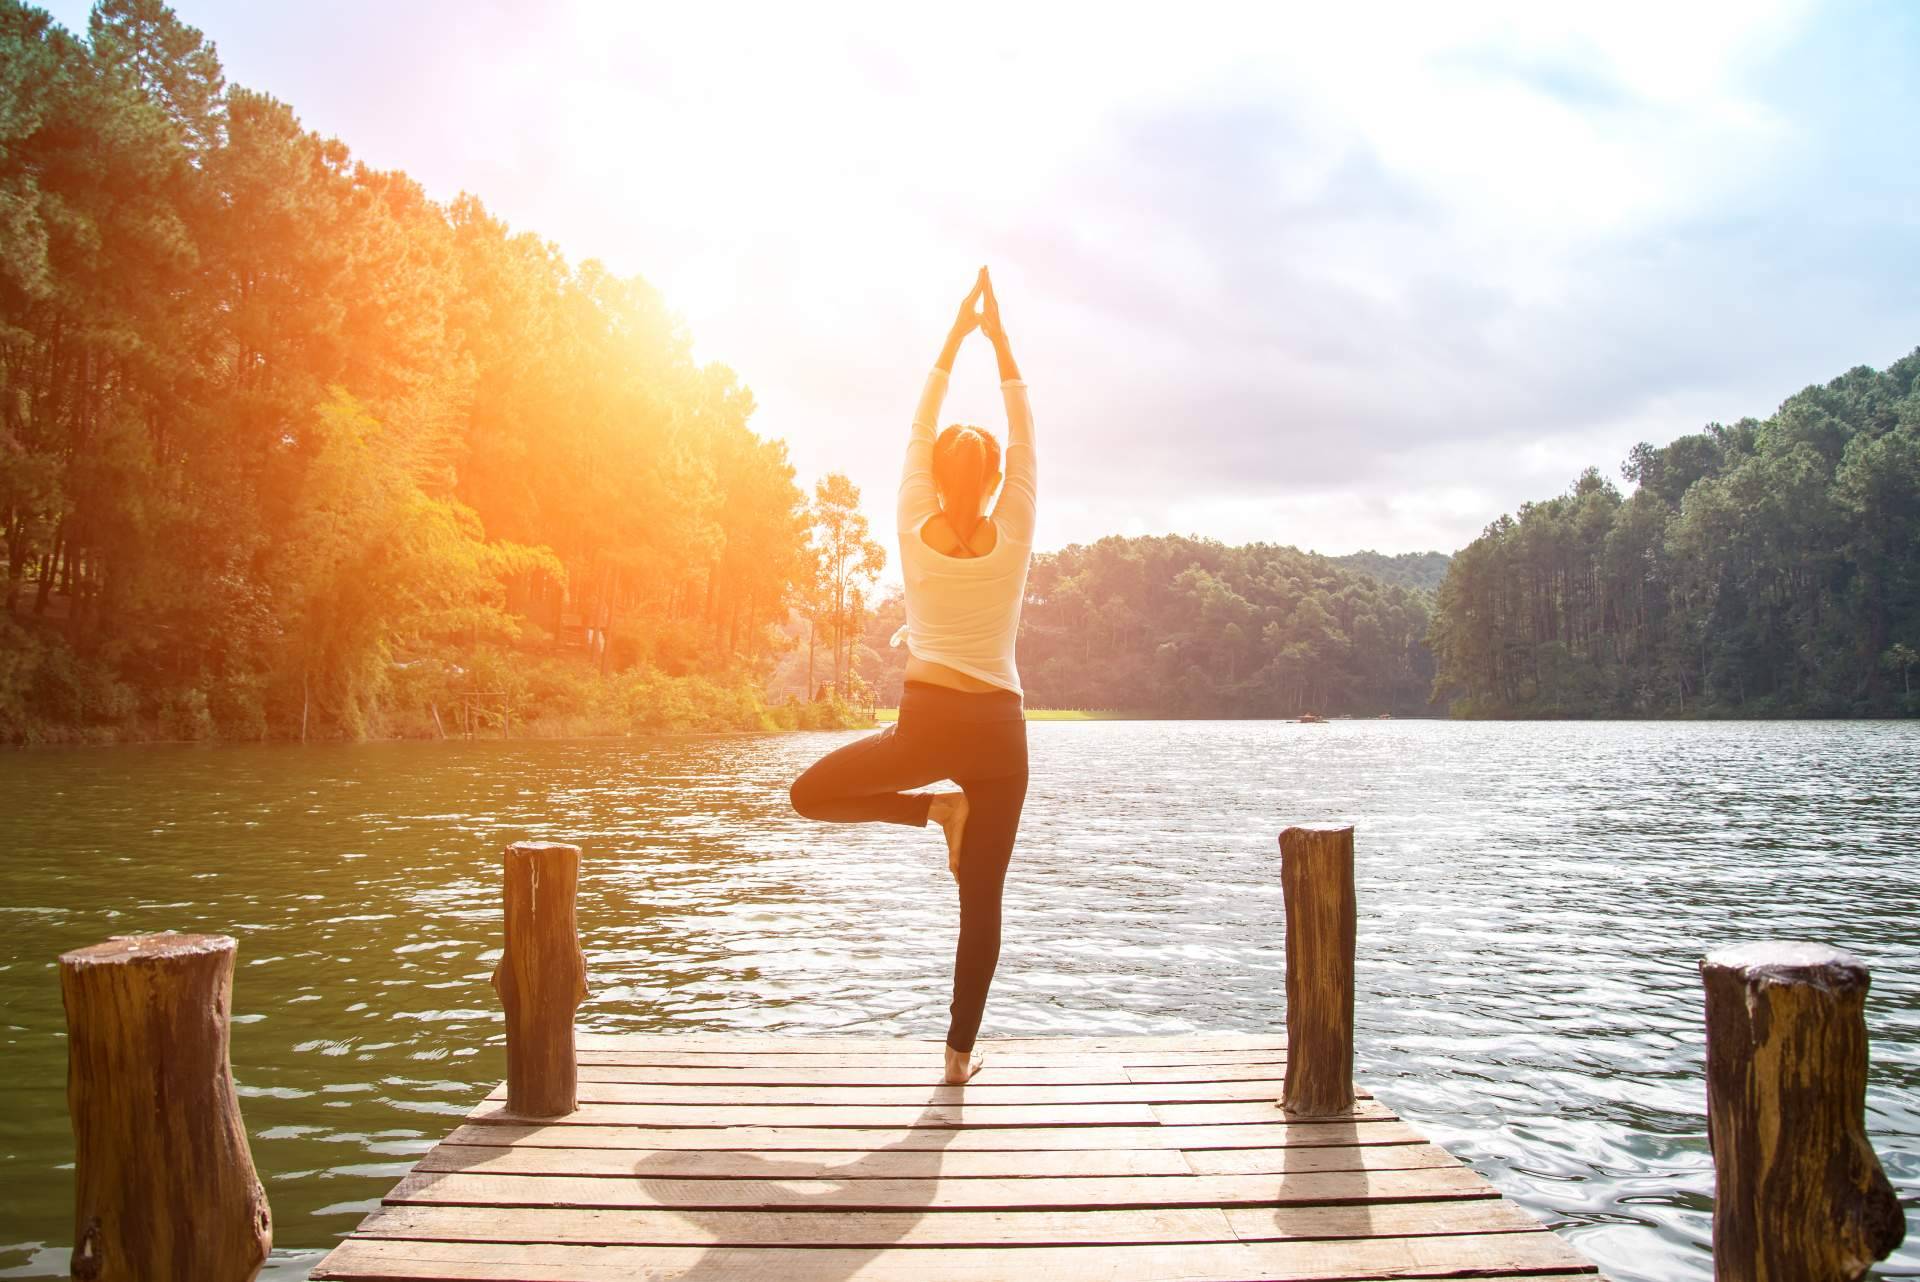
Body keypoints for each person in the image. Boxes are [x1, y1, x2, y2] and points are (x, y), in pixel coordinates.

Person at [789, 267, 1035, 1084]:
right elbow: (1026, 430)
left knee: (809, 794)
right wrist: (998, 342)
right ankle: (958, 1060)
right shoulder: (1017, 527)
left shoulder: (908, 519)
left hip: (927, 722)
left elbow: (917, 425)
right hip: (1000, 732)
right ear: (997, 480)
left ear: (932, 475)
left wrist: (954, 337)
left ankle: (933, 808)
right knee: (983, 905)